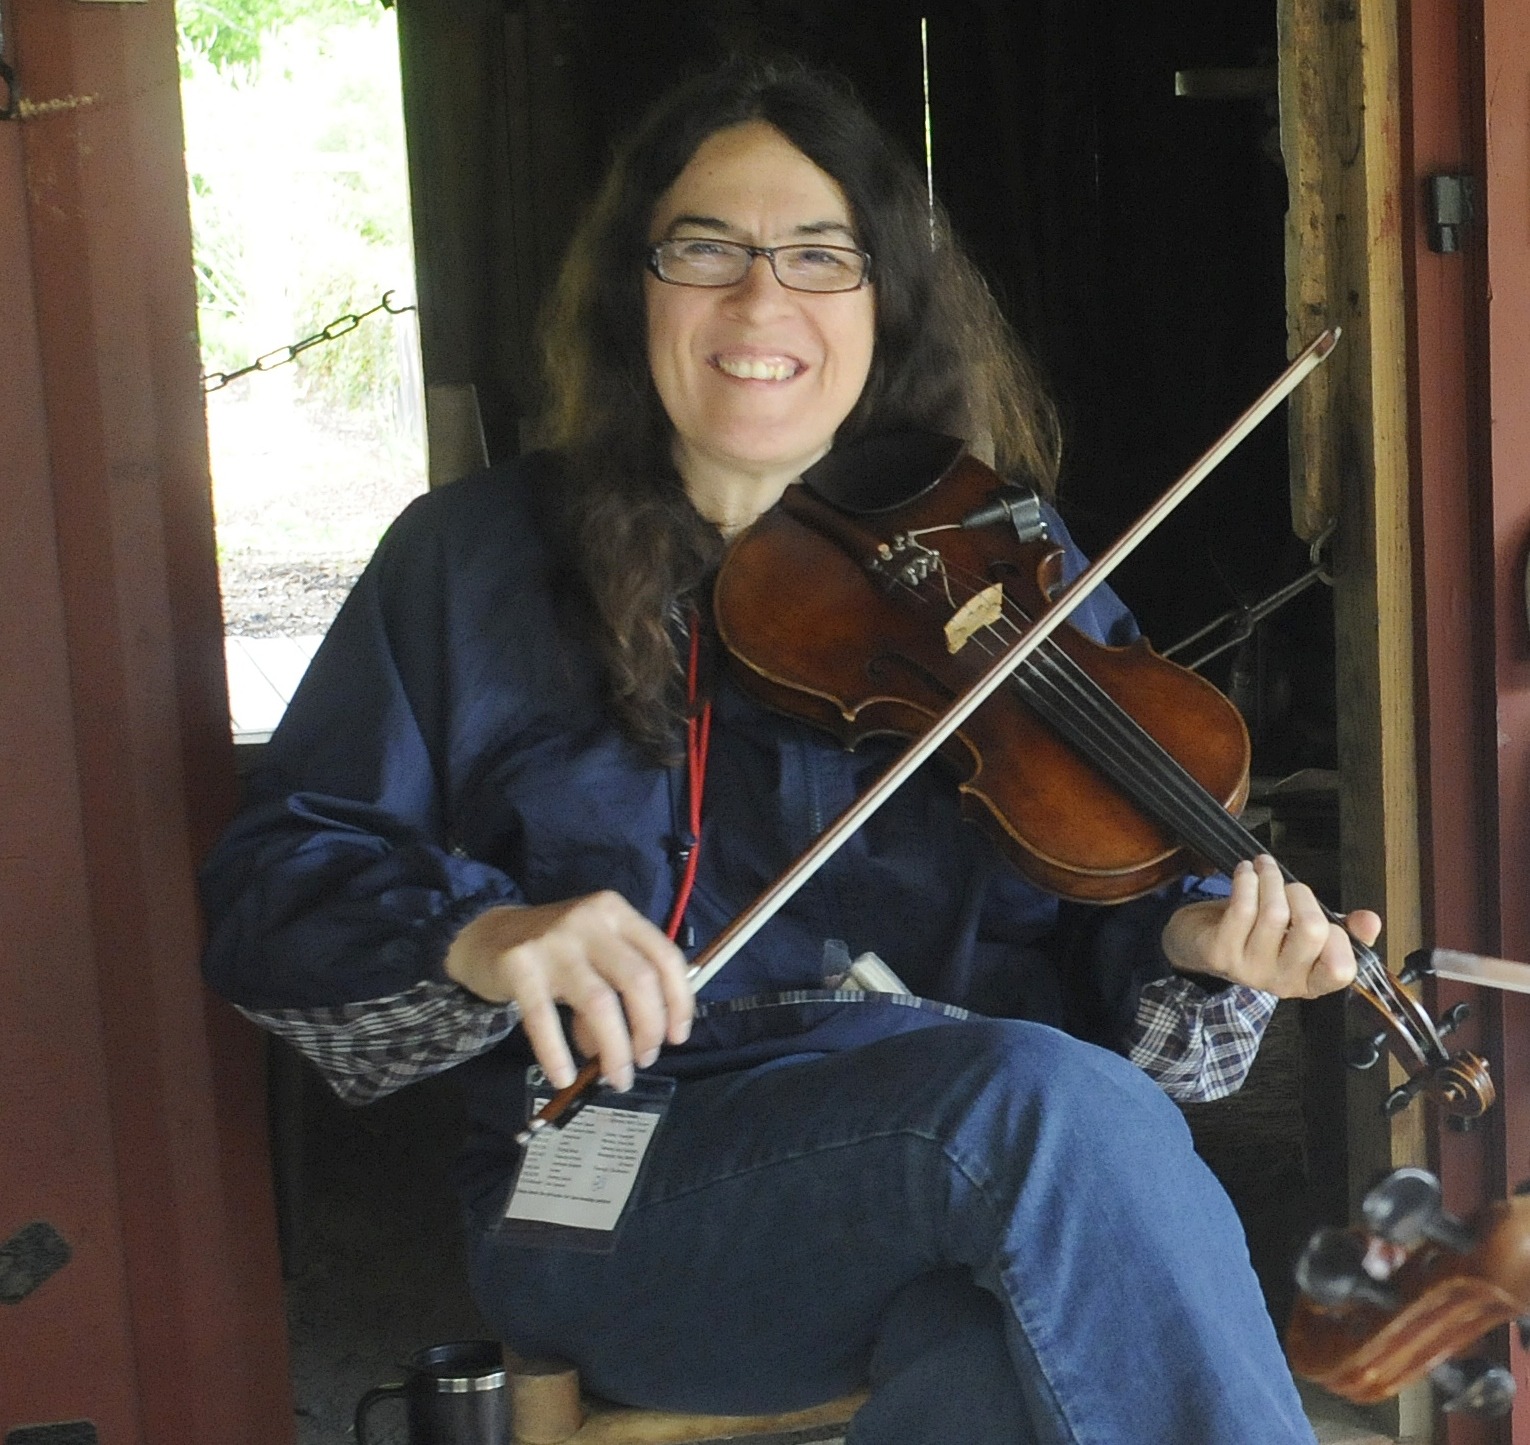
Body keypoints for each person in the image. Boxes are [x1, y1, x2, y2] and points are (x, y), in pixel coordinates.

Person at [200, 56, 1379, 1444]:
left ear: (882, 302)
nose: (762, 300)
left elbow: (1119, 909)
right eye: (707, 249)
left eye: (820, 255)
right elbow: (271, 894)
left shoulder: (1000, 564)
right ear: (635, 286)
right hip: (607, 1179)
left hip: (953, 1167)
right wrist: (485, 934)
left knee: (1005, 1354)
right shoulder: (470, 563)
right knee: (1048, 1104)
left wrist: (1191, 952)